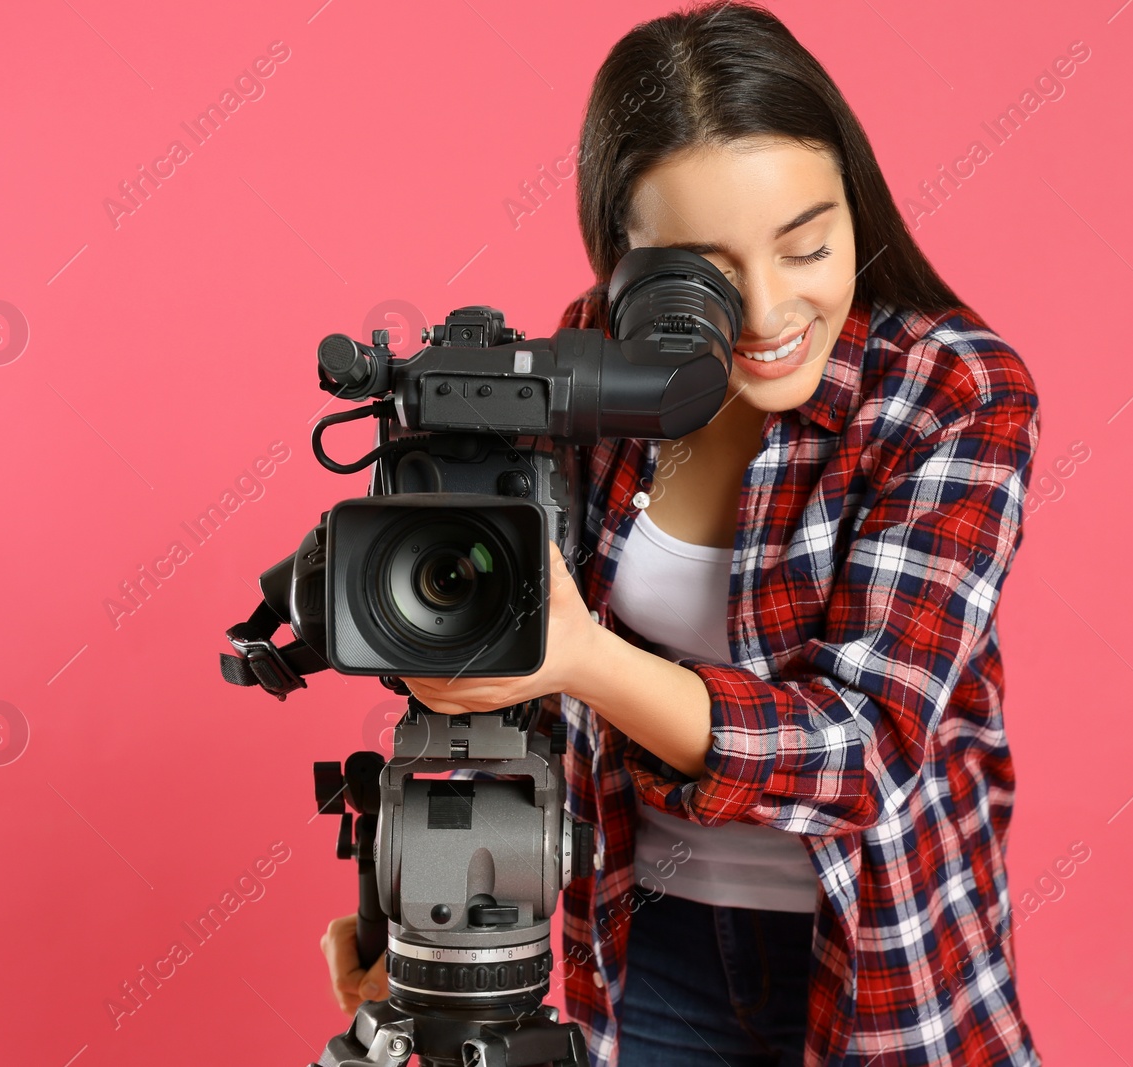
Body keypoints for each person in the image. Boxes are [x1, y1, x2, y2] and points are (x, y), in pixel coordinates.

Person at [325, 2, 1044, 1064]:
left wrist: (583, 657)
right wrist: (422, 920)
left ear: (858, 208)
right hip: (639, 939)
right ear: (623, 256)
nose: (766, 312)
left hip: (880, 958)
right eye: (703, 268)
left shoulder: (950, 391)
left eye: (808, 244)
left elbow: (867, 751)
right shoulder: (585, 361)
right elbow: (491, 658)